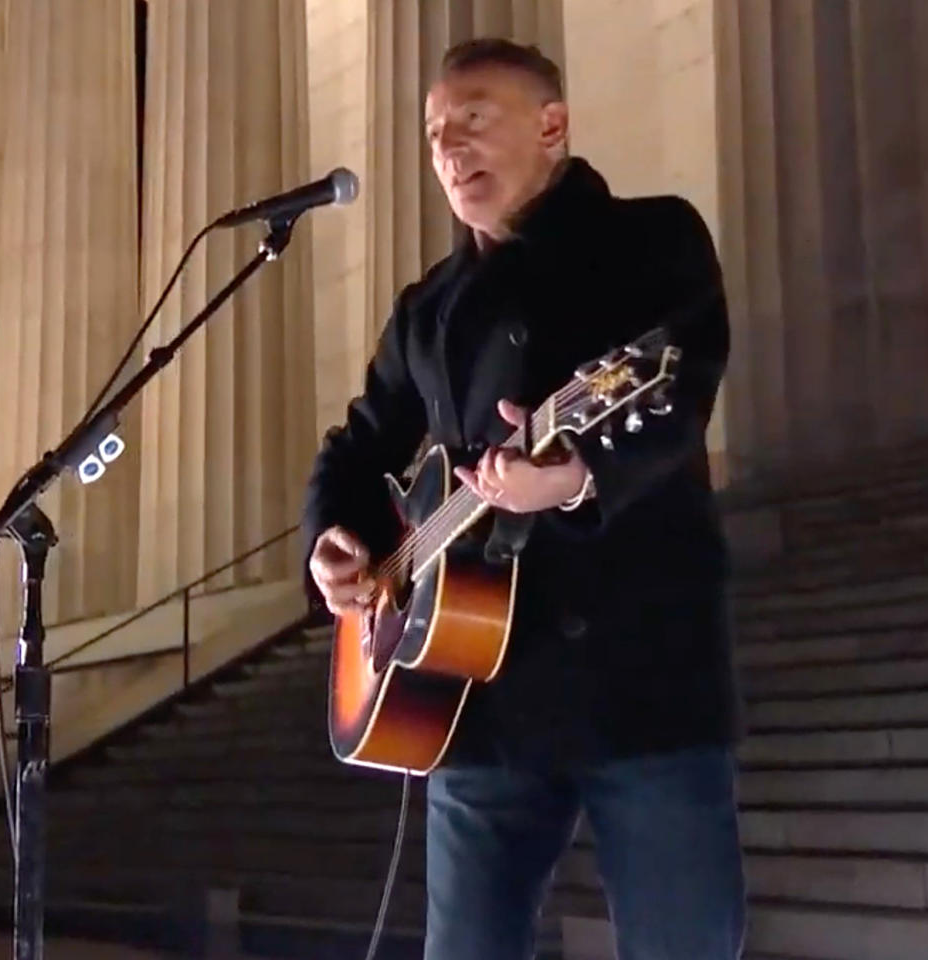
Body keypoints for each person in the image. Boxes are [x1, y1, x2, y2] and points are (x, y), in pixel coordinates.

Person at [302, 38, 744, 960]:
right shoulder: (428, 308)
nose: (449, 148)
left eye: (473, 118)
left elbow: (676, 391)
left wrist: (576, 477)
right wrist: (334, 544)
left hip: (643, 681)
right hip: (474, 700)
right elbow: (357, 445)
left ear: (552, 125)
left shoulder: (653, 237)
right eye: (433, 134)